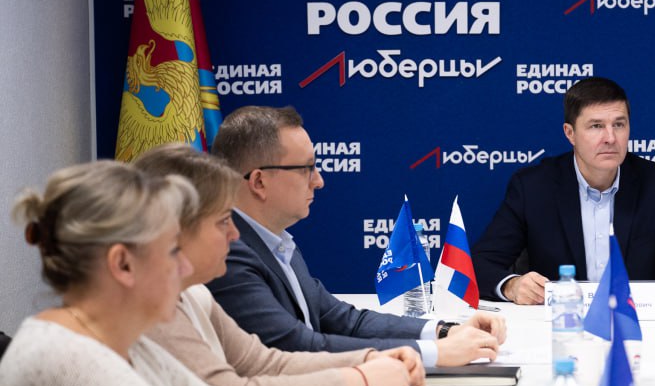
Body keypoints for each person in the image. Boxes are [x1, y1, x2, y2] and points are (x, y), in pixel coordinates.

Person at [0, 161, 263, 386]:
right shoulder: (65, 362)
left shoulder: (126, 343)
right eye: (173, 250)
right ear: (123, 264)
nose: (185, 267)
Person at [137, 143, 426, 386]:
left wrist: (370, 358)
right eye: (223, 221)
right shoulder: (150, 311)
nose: (235, 234)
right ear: (175, 230)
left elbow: (264, 362)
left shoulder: (195, 293)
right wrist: (362, 381)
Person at [206, 106, 506, 365]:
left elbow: (343, 320)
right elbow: (298, 347)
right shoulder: (228, 253)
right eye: (306, 169)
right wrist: (434, 353)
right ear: (259, 181)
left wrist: (444, 330)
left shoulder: (277, 242)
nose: (319, 181)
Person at [473, 76, 655, 304]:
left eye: (619, 124)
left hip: (638, 327)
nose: (610, 138)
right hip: (563, 326)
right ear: (570, 133)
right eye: (596, 126)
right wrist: (511, 286)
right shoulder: (533, 187)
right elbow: (479, 265)